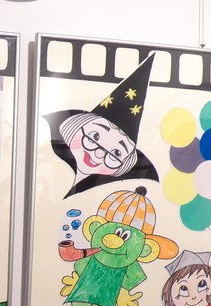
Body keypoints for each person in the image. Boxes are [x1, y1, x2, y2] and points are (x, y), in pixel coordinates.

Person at [44, 54, 158, 199]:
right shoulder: (49, 162)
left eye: (116, 153)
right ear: (76, 125)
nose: (97, 155)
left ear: (125, 163)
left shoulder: (113, 190)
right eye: (94, 137)